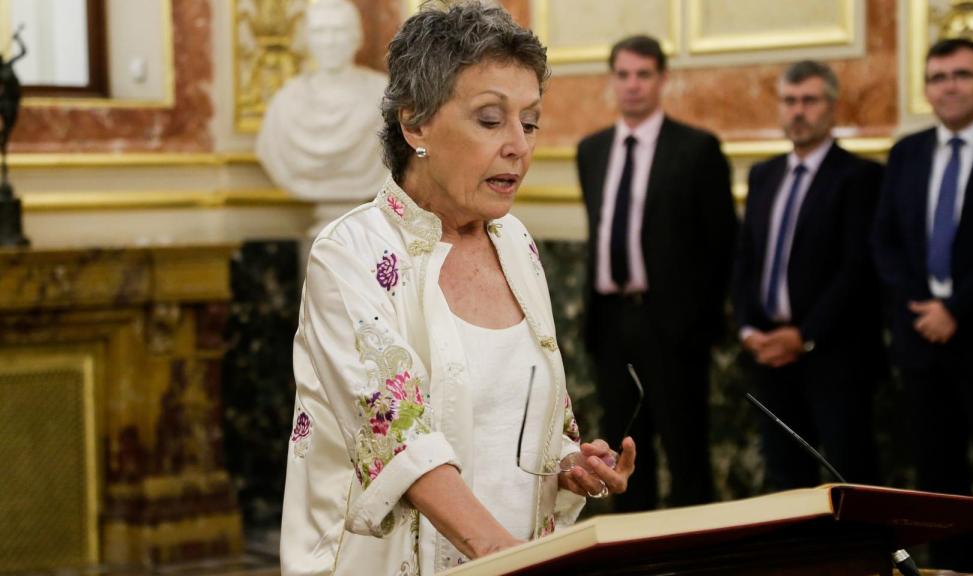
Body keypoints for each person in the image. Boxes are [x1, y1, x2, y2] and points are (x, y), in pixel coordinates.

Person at [280, 4, 636, 575]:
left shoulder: (516, 243)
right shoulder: (349, 254)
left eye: (531, 121)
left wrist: (570, 461)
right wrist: (514, 559)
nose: (520, 145)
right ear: (414, 123)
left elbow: (520, 419)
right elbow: (400, 441)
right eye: (491, 120)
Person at [872, 38, 973, 572]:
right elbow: (885, 241)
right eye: (937, 77)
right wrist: (924, 306)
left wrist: (956, 307)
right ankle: (952, 570)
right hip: (921, 342)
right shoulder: (907, 152)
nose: (949, 86)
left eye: (961, 74)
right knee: (938, 481)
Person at [577, 35, 736, 511]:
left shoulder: (697, 149)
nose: (632, 85)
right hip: (610, 324)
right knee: (623, 456)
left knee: (687, 453)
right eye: (623, 75)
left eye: (643, 74)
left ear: (663, 79)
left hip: (673, 327)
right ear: (612, 81)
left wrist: (700, 323)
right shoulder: (592, 150)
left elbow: (723, 245)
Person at [733, 61, 883, 492]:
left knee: (850, 476)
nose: (798, 111)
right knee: (784, 479)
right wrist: (747, 329)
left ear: (832, 107)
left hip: (834, 357)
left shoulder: (860, 177)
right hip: (768, 354)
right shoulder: (765, 174)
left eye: (810, 101)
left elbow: (855, 271)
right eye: (789, 101)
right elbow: (745, 261)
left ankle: (862, 563)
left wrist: (804, 335)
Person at [256, 0, 388, 205]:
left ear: (357, 37)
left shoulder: (383, 95)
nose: (330, 41)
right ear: (307, 39)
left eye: (339, 31)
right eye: (320, 31)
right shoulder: (286, 101)